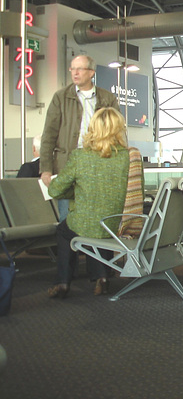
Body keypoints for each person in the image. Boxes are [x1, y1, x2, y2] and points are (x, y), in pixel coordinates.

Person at [47, 107, 131, 299]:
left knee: (64, 230)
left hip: (85, 221)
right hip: (112, 223)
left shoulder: (80, 156)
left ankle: (63, 281)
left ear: (93, 128)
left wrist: (74, 190)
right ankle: (101, 277)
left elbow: (55, 190)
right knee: (98, 230)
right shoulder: (126, 157)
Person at [40, 55, 119, 220]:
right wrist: (46, 168)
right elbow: (48, 135)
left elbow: (116, 133)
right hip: (66, 166)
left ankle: (89, 245)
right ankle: (67, 245)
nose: (74, 73)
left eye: (79, 69)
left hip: (98, 165)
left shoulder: (107, 98)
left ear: (91, 72)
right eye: (72, 68)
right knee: (66, 218)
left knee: (96, 216)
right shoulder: (60, 97)